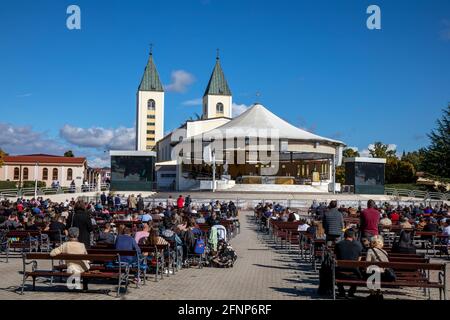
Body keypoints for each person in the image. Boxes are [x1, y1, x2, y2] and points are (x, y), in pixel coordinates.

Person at [334, 229, 363, 298]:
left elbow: (335, 258)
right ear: (353, 236)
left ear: (344, 235)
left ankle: (342, 292)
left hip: (340, 273)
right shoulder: (358, 245)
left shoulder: (338, 244)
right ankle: (351, 292)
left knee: (334, 271)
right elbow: (359, 259)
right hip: (354, 273)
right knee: (358, 270)